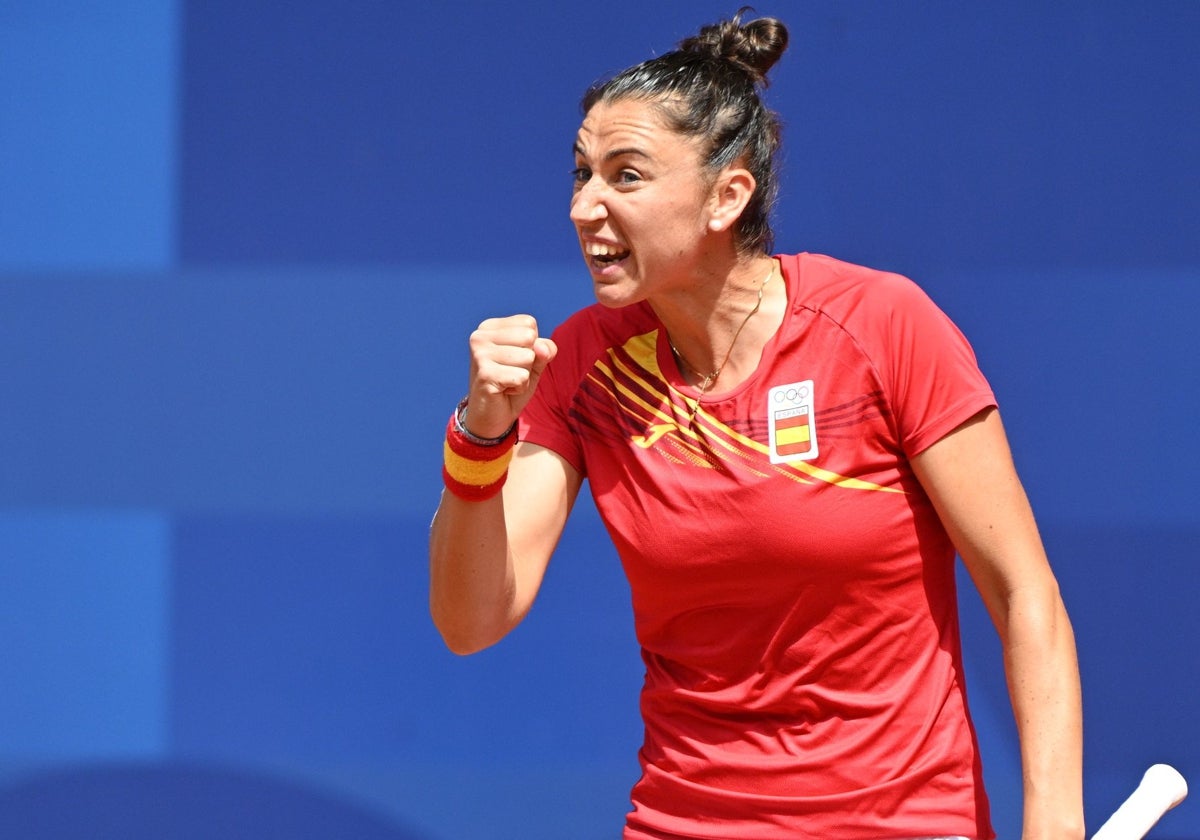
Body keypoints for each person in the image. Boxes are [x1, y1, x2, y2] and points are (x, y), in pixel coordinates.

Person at [430, 11, 1083, 839]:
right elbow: (470, 619)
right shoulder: (584, 367)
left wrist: (1055, 824)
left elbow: (1026, 594)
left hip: (901, 823)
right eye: (581, 174)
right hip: (684, 822)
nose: (583, 206)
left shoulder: (882, 326)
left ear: (727, 195)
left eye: (625, 176)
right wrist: (481, 437)